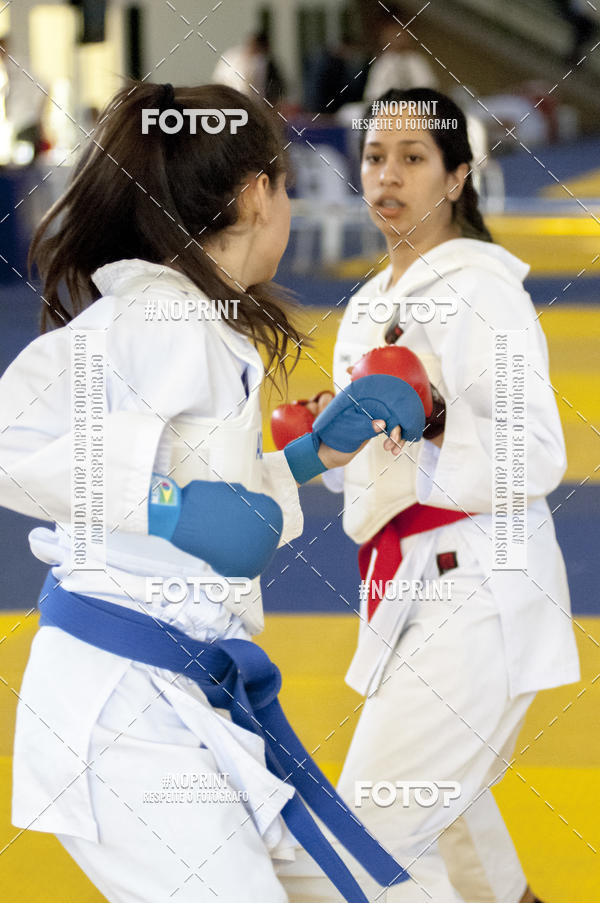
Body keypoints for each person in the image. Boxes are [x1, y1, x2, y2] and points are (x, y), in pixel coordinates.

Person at [0, 81, 431, 902]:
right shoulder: (154, 317)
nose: (292, 210)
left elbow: (218, 496)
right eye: (291, 189)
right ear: (256, 192)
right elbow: (9, 440)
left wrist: (309, 454)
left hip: (180, 696)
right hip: (121, 712)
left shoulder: (196, 319)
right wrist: (167, 509)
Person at [277, 89, 579, 902]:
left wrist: (439, 419)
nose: (388, 176)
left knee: (359, 847)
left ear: (456, 178)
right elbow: (370, 466)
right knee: (458, 829)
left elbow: (539, 451)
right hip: (408, 588)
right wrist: (322, 435)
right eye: (376, 157)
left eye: (414, 159)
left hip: (477, 593)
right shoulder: (373, 303)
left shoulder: (486, 293)